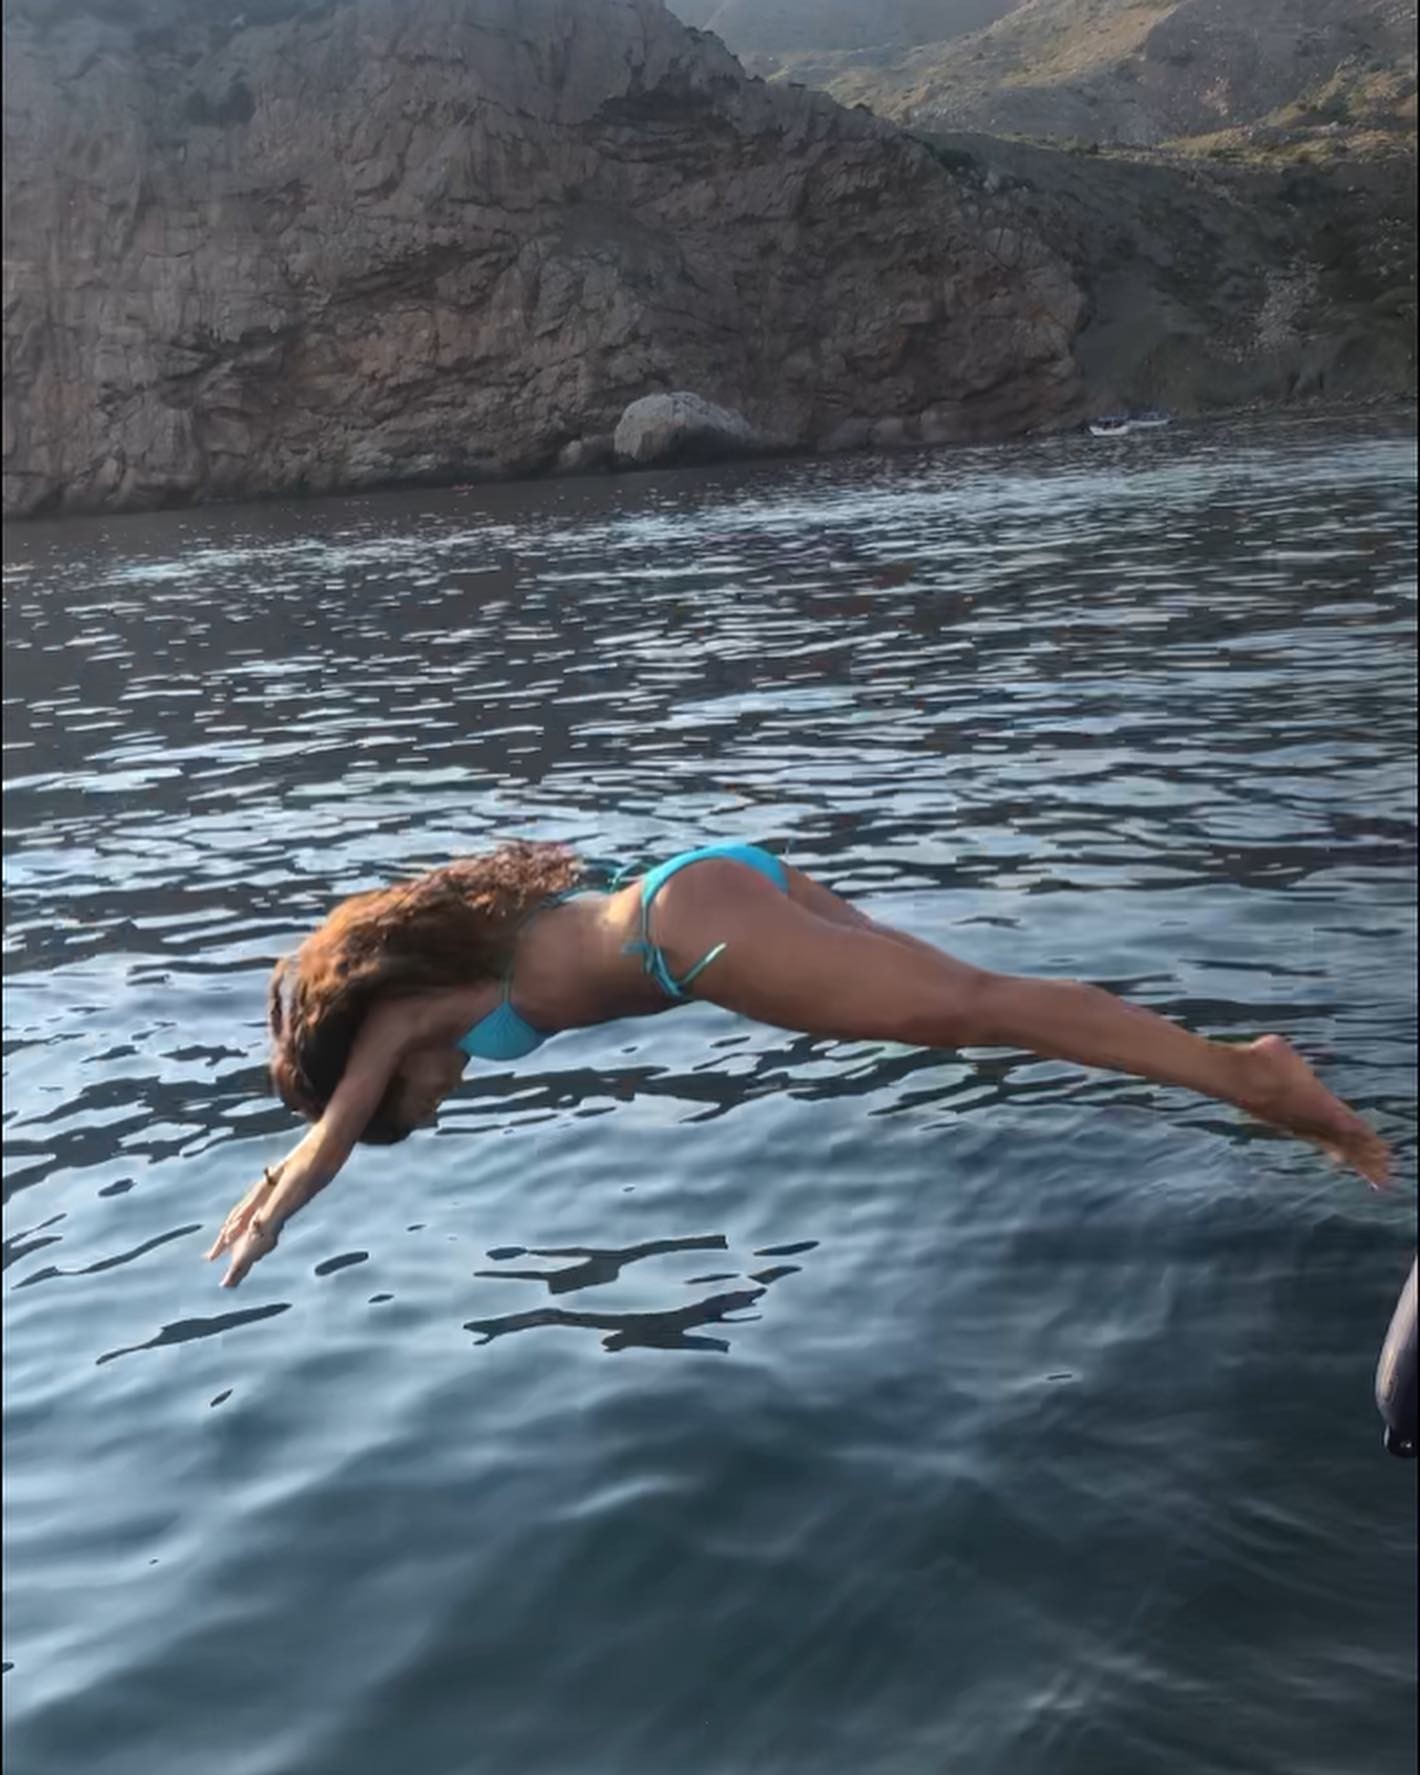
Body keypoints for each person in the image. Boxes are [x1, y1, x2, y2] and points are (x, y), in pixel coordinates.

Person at [207, 840, 1389, 1287]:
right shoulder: (458, 955)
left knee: (980, 1010)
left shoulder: (402, 1019)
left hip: (688, 934)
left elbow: (329, 1136)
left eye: (412, 1107)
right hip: (711, 876)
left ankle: (1251, 1075)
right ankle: (1234, 1072)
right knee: (981, 1000)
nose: (433, 1100)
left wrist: (266, 1211)